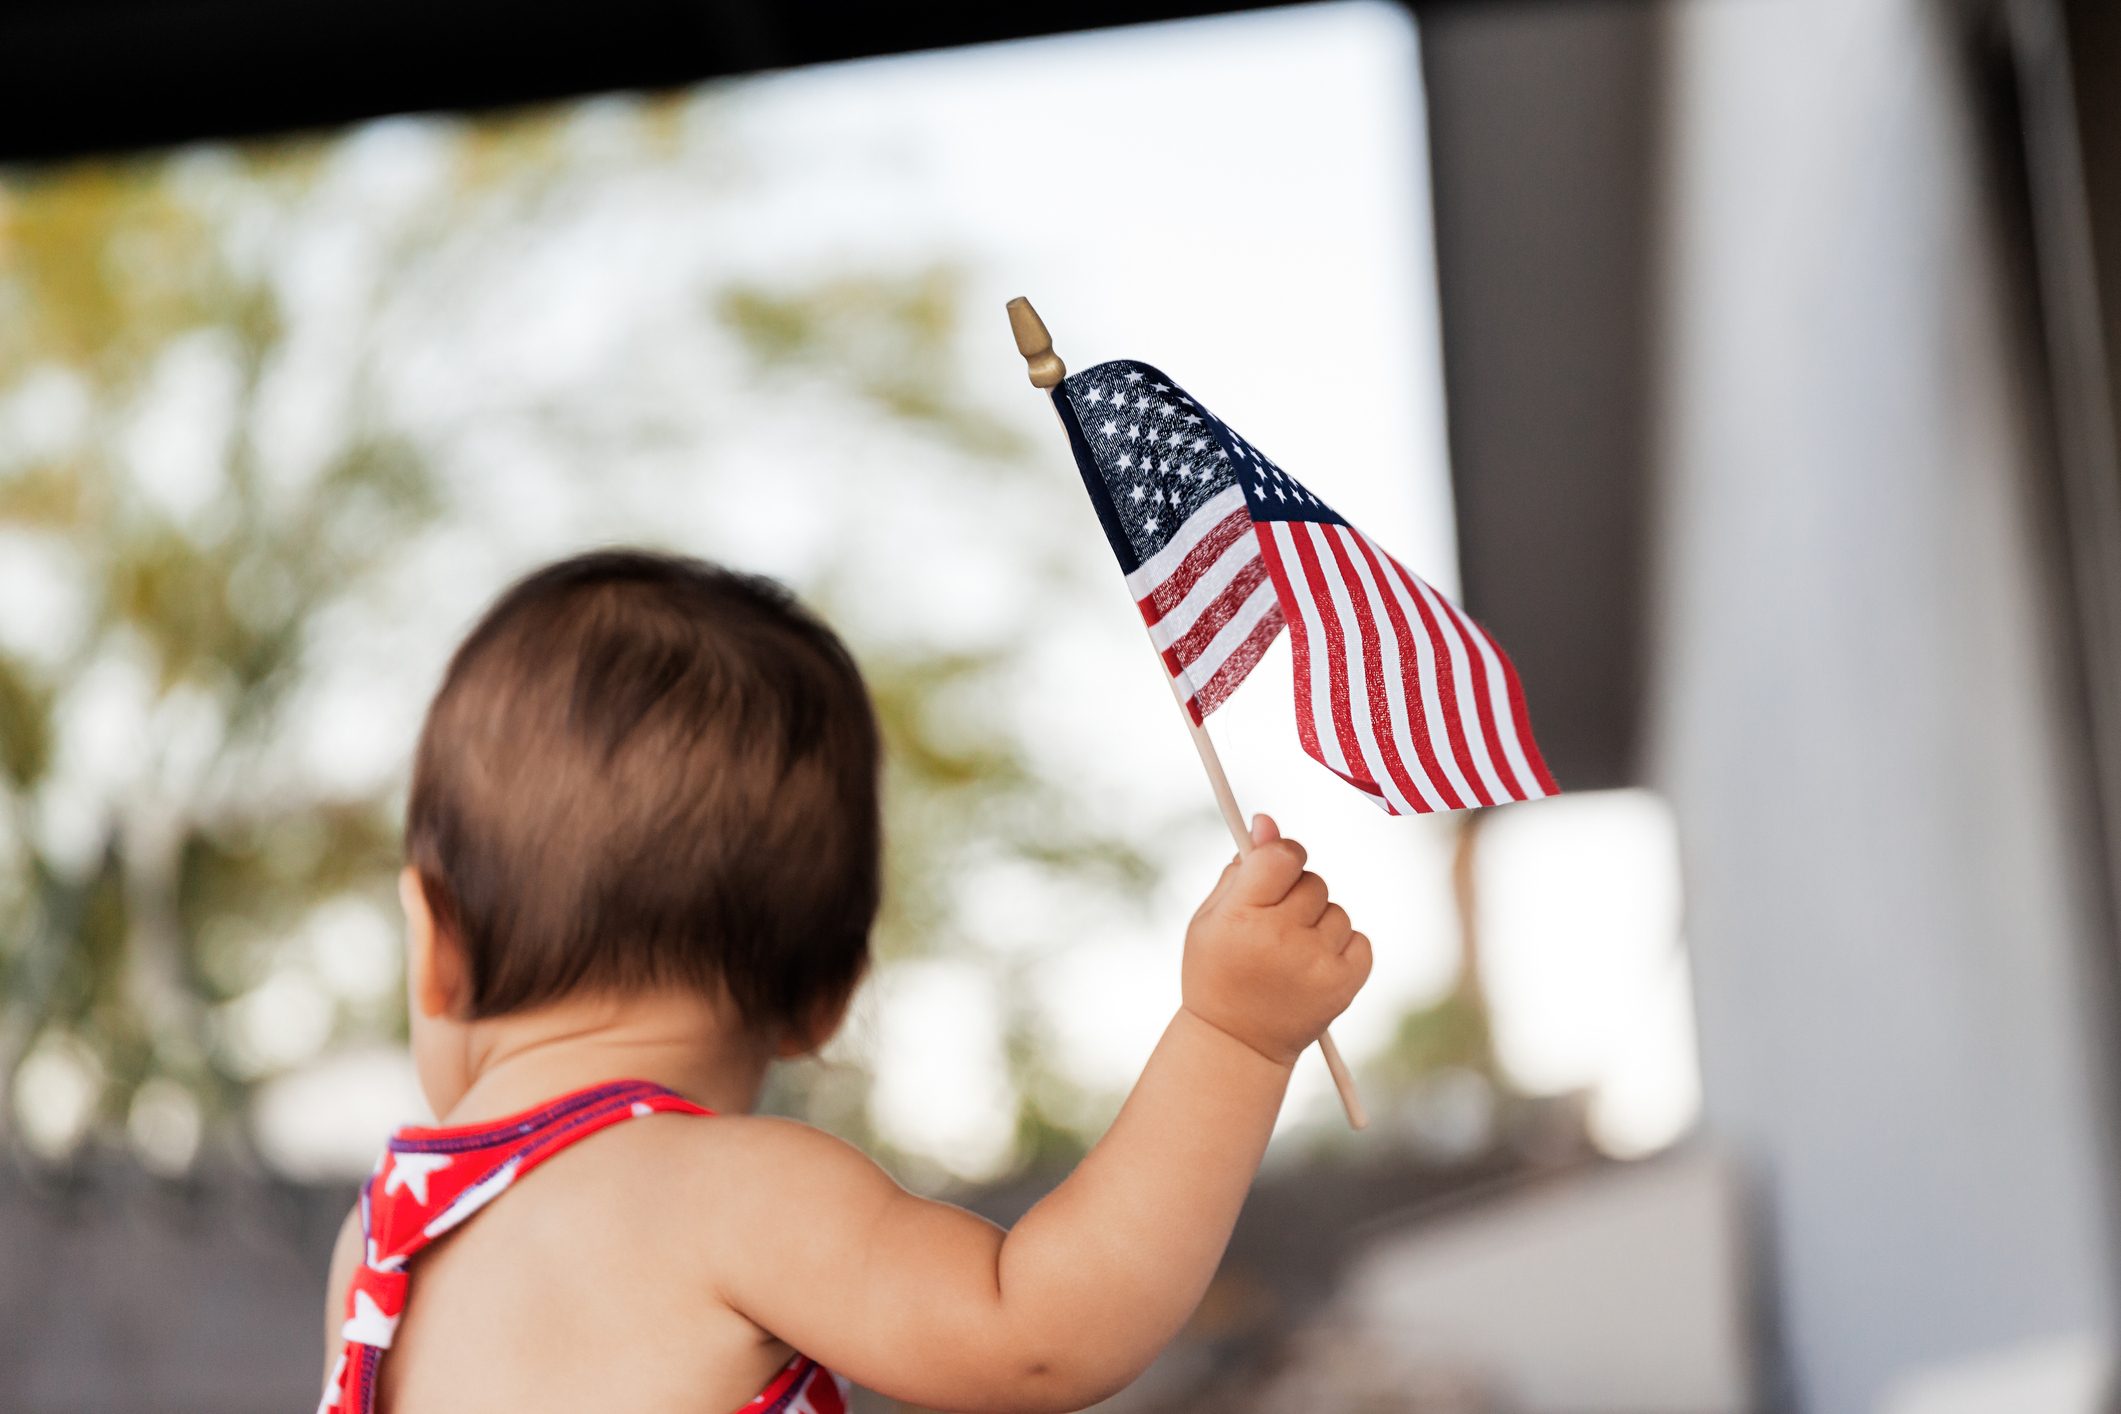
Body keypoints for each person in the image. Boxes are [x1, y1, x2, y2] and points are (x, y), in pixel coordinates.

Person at [319, 548, 1370, 1414]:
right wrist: (1235, 1038)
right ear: (828, 996)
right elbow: (1037, 1331)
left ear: (436, 942)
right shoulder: (732, 1193)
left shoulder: (378, 1254)